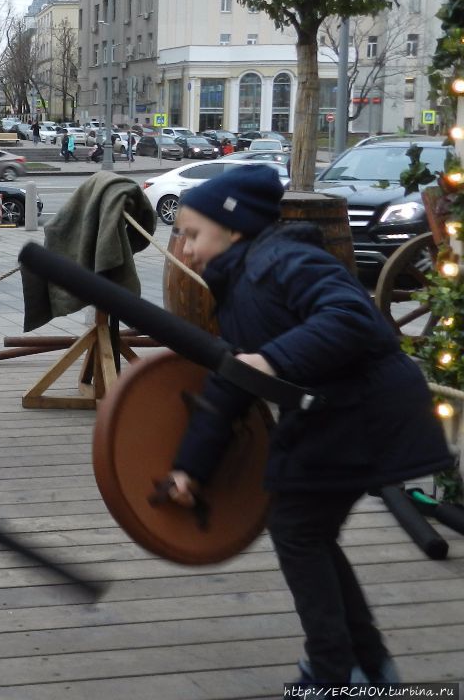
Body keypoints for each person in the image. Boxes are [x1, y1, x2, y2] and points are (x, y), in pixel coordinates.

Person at [163, 165, 452, 688]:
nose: (184, 250)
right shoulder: (239, 284)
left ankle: (335, 673)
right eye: (180, 235)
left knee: (299, 531)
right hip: (331, 413)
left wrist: (272, 360)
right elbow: (231, 385)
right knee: (304, 530)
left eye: (193, 234)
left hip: (367, 411)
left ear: (234, 229)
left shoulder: (282, 259)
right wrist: (190, 469)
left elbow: (350, 318)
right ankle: (364, 666)